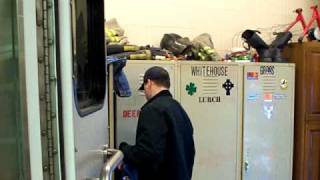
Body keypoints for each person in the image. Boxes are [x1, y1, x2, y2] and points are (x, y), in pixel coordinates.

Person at [119, 66, 195, 180]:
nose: (144, 93)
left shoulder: (152, 109)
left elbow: (148, 153)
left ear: (149, 83)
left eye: (144, 87)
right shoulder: (177, 107)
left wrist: (123, 149)